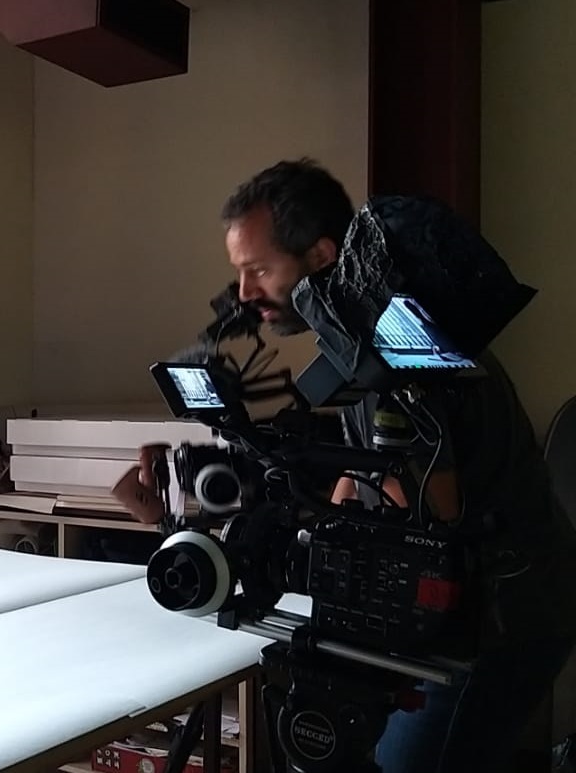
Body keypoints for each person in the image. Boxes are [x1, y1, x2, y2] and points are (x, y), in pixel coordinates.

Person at [219, 158, 576, 773]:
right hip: (458, 607)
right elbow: (359, 480)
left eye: (259, 270)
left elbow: (430, 515)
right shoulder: (361, 340)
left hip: (499, 620)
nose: (246, 293)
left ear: (320, 256)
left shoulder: (400, 354)